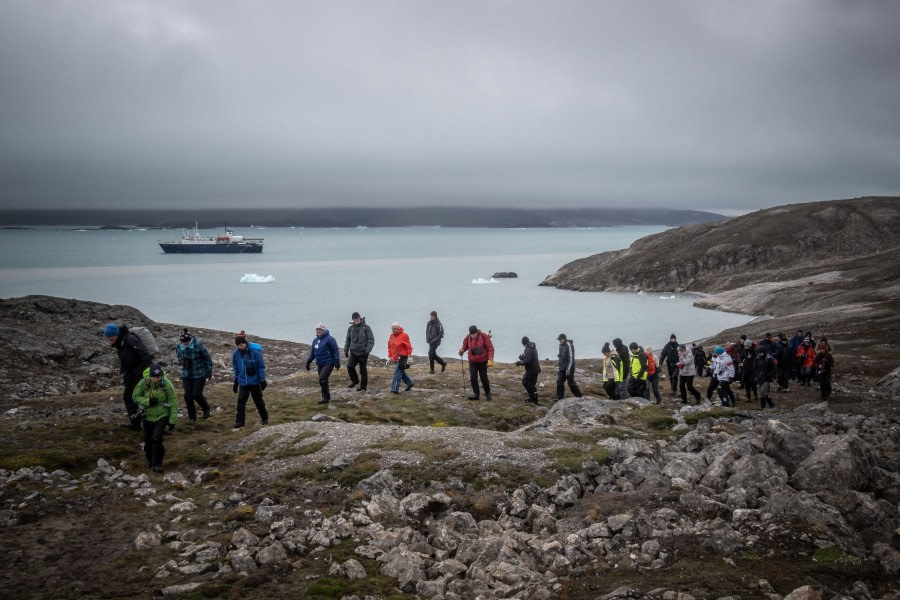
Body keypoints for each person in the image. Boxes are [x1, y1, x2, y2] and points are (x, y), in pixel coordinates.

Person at [104, 323, 153, 431]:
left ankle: (149, 426)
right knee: (128, 397)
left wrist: (144, 373)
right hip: (130, 373)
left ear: (115, 334)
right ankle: (135, 424)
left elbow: (144, 355)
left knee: (142, 399)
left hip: (139, 373)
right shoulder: (120, 342)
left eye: (110, 336)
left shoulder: (130, 339)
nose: (109, 339)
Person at [132, 363, 178, 473]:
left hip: (163, 414)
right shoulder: (143, 383)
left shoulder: (166, 383)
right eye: (154, 377)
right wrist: (147, 401)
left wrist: (172, 420)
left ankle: (158, 464)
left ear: (161, 376)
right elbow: (135, 397)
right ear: (150, 376)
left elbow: (173, 401)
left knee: (157, 439)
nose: (156, 379)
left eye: (158, 377)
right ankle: (150, 460)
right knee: (148, 440)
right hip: (148, 415)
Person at [175, 328, 212, 423]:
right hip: (186, 374)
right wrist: (182, 362)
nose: (185, 344)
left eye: (187, 342)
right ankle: (192, 418)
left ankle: (206, 408)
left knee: (196, 394)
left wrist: (209, 371)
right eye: (184, 343)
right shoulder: (179, 347)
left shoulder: (198, 345)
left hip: (199, 373)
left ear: (190, 340)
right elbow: (178, 357)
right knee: (187, 395)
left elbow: (207, 357)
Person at [232, 331, 269, 427]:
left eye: (241, 345)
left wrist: (262, 380)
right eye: (238, 345)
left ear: (245, 343)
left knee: (258, 401)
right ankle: (240, 422)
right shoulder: (236, 354)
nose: (240, 347)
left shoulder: (255, 353)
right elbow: (236, 368)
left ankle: (264, 418)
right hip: (243, 382)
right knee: (241, 402)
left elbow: (261, 367)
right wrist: (236, 382)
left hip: (255, 382)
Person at [306, 323, 340, 404]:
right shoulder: (315, 340)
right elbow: (313, 353)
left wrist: (337, 361)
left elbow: (335, 350)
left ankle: (326, 397)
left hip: (329, 363)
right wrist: (308, 362)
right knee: (323, 380)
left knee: (322, 379)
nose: (318, 331)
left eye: (320, 329)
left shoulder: (330, 339)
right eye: (317, 329)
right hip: (320, 364)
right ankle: (324, 396)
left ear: (323, 330)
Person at [459, 325, 494, 400]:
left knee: (484, 378)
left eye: (474, 334)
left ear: (477, 332)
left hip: (483, 361)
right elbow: (465, 346)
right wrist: (462, 350)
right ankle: (476, 394)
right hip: (472, 362)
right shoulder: (468, 337)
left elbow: (490, 348)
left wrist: (490, 359)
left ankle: (488, 393)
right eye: (471, 334)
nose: (473, 336)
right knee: (473, 378)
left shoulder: (484, 336)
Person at [344, 312, 374, 392]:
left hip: (363, 353)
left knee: (363, 370)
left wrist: (367, 351)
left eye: (357, 318)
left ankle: (363, 387)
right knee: (350, 366)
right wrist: (346, 350)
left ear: (360, 318)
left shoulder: (366, 327)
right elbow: (348, 340)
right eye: (354, 318)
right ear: (353, 319)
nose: (356, 319)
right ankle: (355, 380)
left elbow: (371, 340)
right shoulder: (350, 328)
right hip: (353, 352)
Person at [387, 322, 414, 394]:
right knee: (401, 372)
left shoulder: (405, 336)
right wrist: (390, 357)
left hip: (403, 357)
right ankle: (410, 383)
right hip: (395, 358)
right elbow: (390, 346)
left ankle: (394, 390)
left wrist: (409, 356)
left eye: (394, 329)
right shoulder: (391, 336)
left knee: (397, 373)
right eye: (392, 329)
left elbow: (408, 347)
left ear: (398, 329)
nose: (392, 330)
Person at [554, 334, 583, 400]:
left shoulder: (569, 345)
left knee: (571, 383)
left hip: (569, 368)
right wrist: (559, 366)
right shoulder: (560, 346)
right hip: (562, 368)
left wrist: (568, 369)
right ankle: (559, 397)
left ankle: (579, 396)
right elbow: (561, 356)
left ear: (564, 339)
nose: (559, 341)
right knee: (559, 381)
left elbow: (570, 358)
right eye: (559, 340)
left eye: (560, 339)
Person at [515, 336, 541, 403]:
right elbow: (529, 358)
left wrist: (520, 362)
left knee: (529, 384)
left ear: (524, 343)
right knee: (527, 382)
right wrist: (522, 358)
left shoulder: (528, 349)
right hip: (533, 369)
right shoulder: (531, 347)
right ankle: (532, 397)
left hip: (532, 370)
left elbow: (528, 361)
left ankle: (534, 398)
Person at [740, 339, 758, 403]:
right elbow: (741, 357)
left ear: (750, 346)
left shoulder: (754, 351)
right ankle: (749, 398)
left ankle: (756, 395)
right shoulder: (744, 351)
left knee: (753, 384)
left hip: (752, 370)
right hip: (745, 370)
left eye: (747, 346)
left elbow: (756, 360)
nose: (745, 347)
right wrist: (742, 362)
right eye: (745, 346)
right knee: (746, 385)